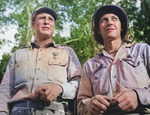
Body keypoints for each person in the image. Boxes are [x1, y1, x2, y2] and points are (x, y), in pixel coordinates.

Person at [0, 7, 81, 115]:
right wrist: (2, 112)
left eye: (50, 19)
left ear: (54, 26)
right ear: (33, 25)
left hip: (56, 110)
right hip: (19, 110)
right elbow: (6, 87)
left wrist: (61, 88)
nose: (46, 22)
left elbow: (80, 83)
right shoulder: (17, 55)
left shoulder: (67, 52)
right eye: (42, 18)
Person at [77, 4, 150, 115]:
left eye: (114, 19)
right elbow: (80, 106)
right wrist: (90, 104)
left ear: (121, 27)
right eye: (104, 20)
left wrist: (138, 95)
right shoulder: (90, 65)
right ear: (98, 30)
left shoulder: (142, 50)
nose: (109, 22)